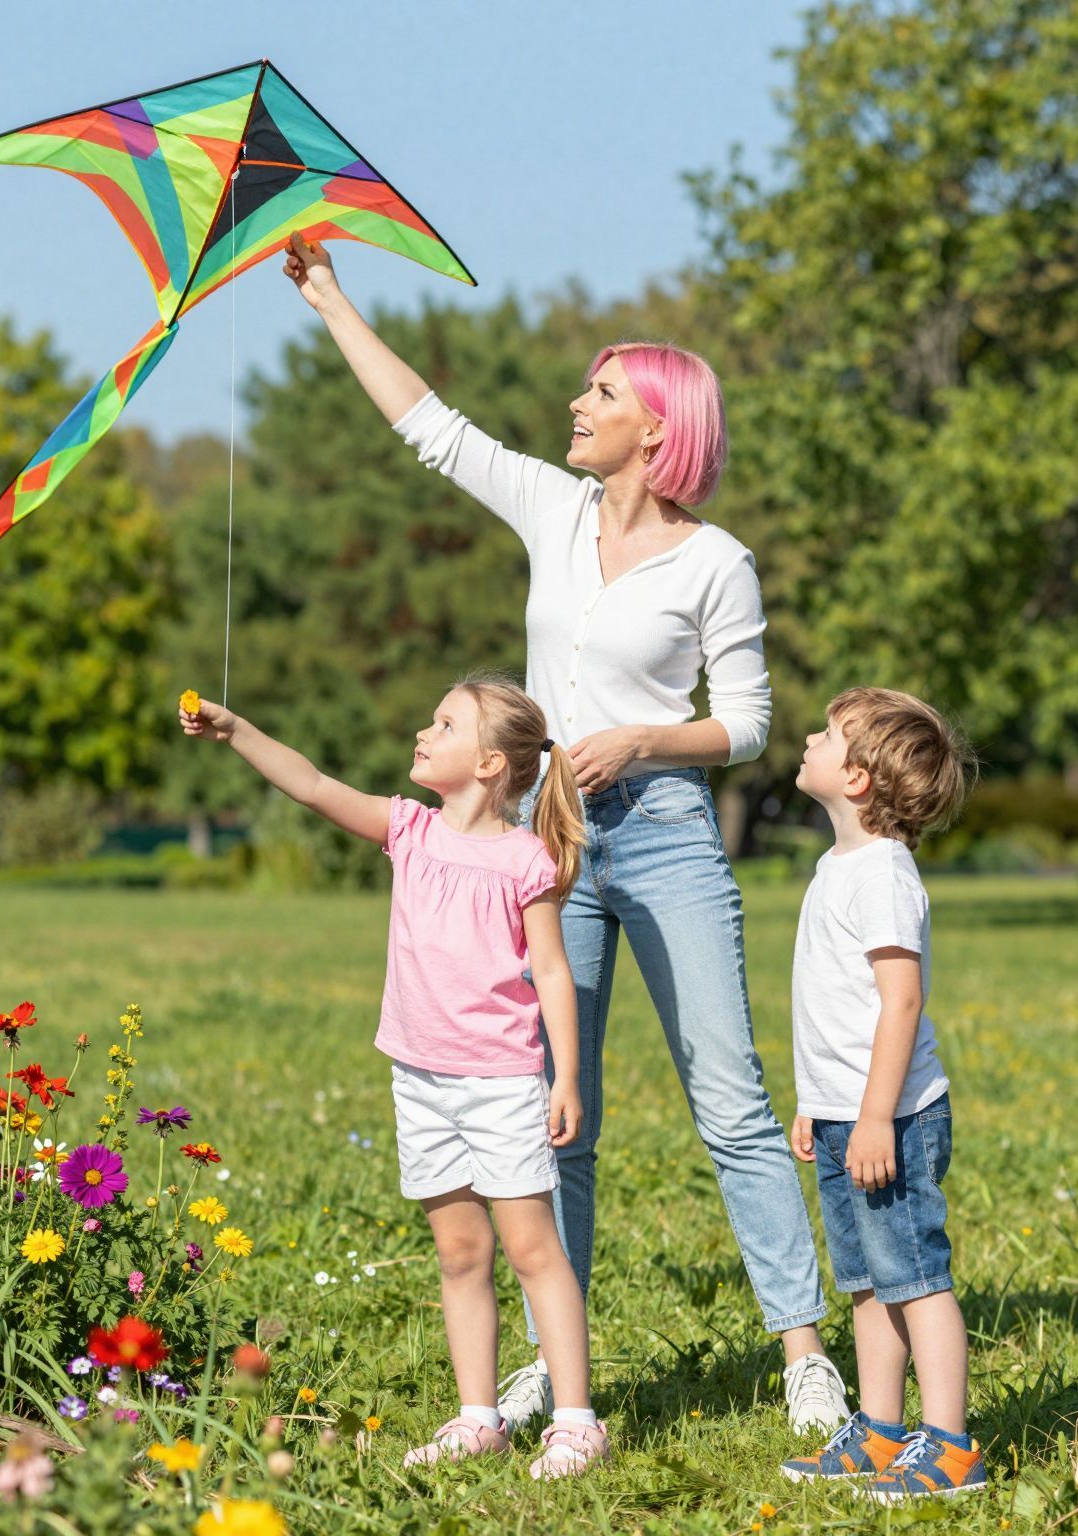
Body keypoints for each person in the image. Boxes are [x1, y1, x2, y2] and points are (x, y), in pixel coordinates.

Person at [282, 231, 851, 1438]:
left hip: (665, 837)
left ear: (657, 426)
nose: (574, 406)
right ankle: (557, 1367)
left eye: (599, 393)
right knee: (555, 1107)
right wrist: (330, 297)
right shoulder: (551, 503)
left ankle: (803, 1351)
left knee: (729, 1098)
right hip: (553, 846)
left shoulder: (717, 564)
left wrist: (644, 739)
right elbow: (431, 427)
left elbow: (745, 727)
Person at [180, 675, 610, 1478]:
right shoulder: (407, 830)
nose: (422, 731)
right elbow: (310, 784)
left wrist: (567, 1076)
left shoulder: (527, 861)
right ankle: (479, 1416)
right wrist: (237, 730)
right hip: (421, 1079)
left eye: (443, 724)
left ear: (488, 764)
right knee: (457, 1251)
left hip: (501, 1082)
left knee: (531, 1249)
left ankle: (578, 1421)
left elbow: (553, 973)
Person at [780, 687, 984, 1500]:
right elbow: (833, 1009)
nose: (807, 740)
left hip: (890, 1118)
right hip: (845, 1117)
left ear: (859, 777)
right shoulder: (838, 865)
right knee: (866, 1279)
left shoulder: (885, 876)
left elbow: (900, 1003)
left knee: (915, 1277)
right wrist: (818, 1104)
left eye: (826, 736)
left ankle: (951, 1446)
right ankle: (881, 1430)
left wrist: (871, 1118)